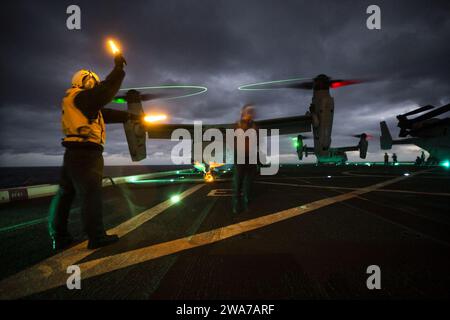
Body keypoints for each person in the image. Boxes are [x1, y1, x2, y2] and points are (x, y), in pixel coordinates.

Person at [48, 52, 140, 250]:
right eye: (94, 82)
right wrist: (118, 69)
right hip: (86, 155)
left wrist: (129, 117)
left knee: (65, 195)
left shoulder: (77, 101)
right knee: (91, 195)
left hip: (72, 152)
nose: (96, 86)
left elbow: (103, 113)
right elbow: (105, 93)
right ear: (85, 81)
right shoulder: (82, 97)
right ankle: (96, 237)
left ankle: (59, 236)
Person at [232, 104, 258, 214]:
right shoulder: (238, 125)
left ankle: (247, 201)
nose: (251, 113)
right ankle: (237, 204)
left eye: (252, 111)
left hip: (251, 156)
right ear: (243, 113)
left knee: (249, 181)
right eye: (249, 111)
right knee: (239, 181)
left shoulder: (254, 125)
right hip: (241, 156)